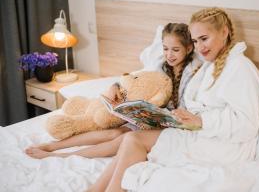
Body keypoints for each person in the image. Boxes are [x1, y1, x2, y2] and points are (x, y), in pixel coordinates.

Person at [87, 7, 259, 192]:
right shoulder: (210, 65)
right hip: (201, 134)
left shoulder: (240, 68)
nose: (200, 47)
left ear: (224, 32)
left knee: (133, 140)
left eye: (204, 39)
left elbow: (247, 125)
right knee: (131, 139)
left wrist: (201, 120)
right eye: (196, 41)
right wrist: (182, 118)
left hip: (225, 147)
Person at [25, 23, 202, 159]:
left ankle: (60, 156)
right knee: (114, 132)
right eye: (165, 48)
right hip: (148, 119)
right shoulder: (159, 66)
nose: (169, 54)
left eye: (175, 50)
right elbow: (134, 79)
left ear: (188, 48)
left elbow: (189, 110)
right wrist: (115, 86)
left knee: (122, 138)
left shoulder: (194, 73)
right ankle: (53, 146)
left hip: (170, 126)